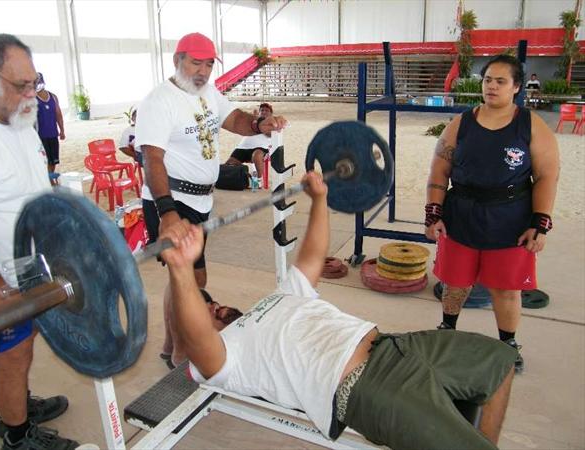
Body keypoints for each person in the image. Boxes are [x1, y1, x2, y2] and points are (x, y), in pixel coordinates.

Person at [158, 171, 517, 450]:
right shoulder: (224, 359)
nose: (215, 305)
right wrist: (182, 268)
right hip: (369, 387)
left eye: (213, 299)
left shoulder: (275, 299)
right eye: (206, 308)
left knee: (499, 361)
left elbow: (312, 257)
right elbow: (197, 337)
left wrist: (320, 199)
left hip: (397, 346)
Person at [135, 32, 287, 368]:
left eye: (208, 64)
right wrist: (167, 213)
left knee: (192, 279)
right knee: (186, 279)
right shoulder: (158, 102)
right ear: (177, 61)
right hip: (172, 201)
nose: (202, 71)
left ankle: (170, 345)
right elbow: (152, 159)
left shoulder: (207, 93)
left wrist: (260, 124)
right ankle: (179, 357)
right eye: (195, 63)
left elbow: (234, 120)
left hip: (201, 201)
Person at [424, 54, 559, 373]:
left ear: (516, 87)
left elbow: (546, 175)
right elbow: (440, 168)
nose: (492, 86)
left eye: (501, 81)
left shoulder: (531, 125)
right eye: (487, 80)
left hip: (510, 219)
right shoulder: (462, 122)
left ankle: (507, 343)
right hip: (462, 215)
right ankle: (447, 331)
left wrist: (540, 223)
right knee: (455, 283)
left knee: (506, 288)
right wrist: (433, 212)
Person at [0, 34, 79, 450]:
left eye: (34, 81)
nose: (33, 93)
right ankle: (17, 436)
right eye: (20, 85)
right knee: (12, 356)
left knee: (29, 342)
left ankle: (17, 407)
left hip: (30, 265)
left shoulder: (22, 122)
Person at [225, 102, 274, 179]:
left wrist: (258, 122)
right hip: (243, 147)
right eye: (262, 110)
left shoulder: (272, 123)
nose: (264, 112)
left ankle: (258, 178)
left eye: (267, 110)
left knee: (256, 155)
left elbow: (269, 134)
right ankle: (244, 176)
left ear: (271, 114)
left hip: (261, 148)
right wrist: (255, 120)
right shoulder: (253, 121)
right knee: (229, 164)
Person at [35, 72, 65, 184]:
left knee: (54, 160)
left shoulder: (53, 97)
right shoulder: (32, 98)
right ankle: (50, 181)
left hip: (53, 134)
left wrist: (62, 130)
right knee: (45, 160)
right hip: (40, 135)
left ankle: (50, 177)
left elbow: (59, 115)